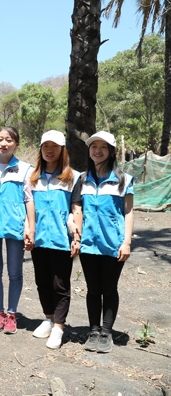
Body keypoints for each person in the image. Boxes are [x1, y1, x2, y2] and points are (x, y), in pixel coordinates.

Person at [72, 131, 134, 354]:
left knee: (109, 288)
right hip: (89, 244)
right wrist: (77, 238)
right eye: (93, 146)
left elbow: (128, 212)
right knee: (92, 289)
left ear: (112, 151)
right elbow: (77, 209)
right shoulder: (82, 179)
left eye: (103, 147)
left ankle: (106, 332)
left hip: (113, 244)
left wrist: (126, 242)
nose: (97, 150)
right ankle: (94, 330)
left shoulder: (123, 180)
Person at [29, 130, 82, 350]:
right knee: (42, 282)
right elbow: (28, 207)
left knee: (60, 285)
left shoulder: (73, 177)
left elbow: (77, 207)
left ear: (62, 149)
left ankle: (59, 327)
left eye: (55, 146)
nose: (49, 150)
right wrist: (28, 230)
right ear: (41, 149)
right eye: (45, 146)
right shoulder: (33, 177)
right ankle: (49, 318)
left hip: (61, 240)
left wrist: (77, 237)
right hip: (39, 240)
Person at [0, 127, 35, 334]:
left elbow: (29, 199)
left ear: (16, 144)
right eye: (0, 139)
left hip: (16, 226)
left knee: (15, 272)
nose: (3, 143)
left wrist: (30, 227)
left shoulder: (25, 169)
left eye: (9, 140)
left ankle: (12, 314)